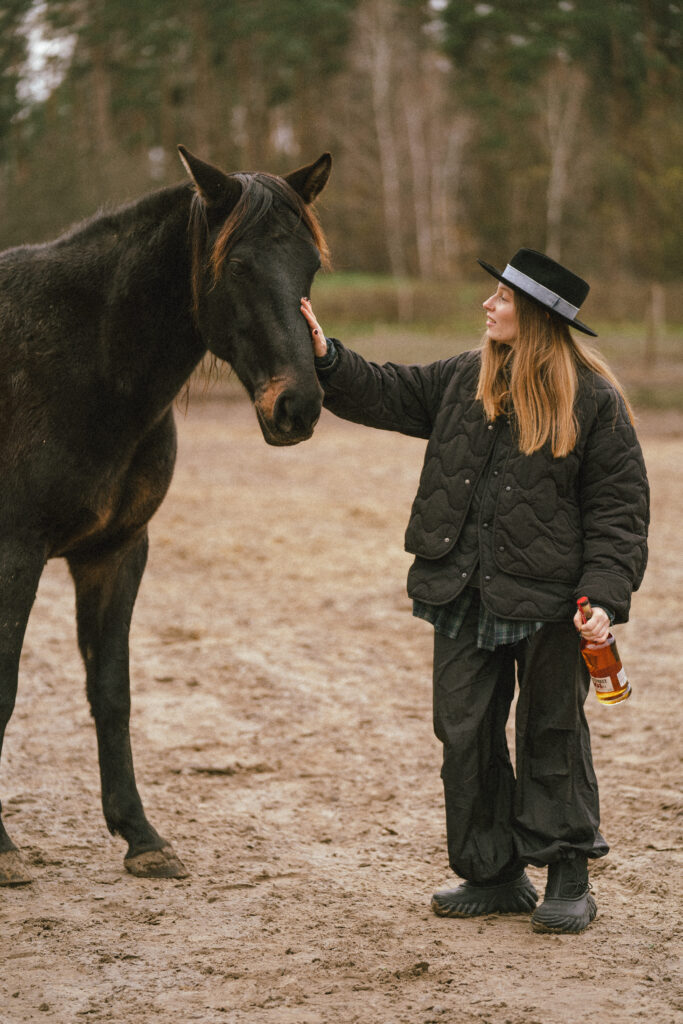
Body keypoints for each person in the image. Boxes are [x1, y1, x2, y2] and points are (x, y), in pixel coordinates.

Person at [300, 248, 649, 935]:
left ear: (538, 318)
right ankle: (492, 874)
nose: (487, 306)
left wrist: (603, 597)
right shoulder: (463, 378)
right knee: (463, 733)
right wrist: (327, 357)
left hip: (552, 605)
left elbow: (618, 512)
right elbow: (385, 389)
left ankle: (567, 874)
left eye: (501, 299)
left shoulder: (595, 402)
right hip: (458, 590)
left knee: (552, 731)